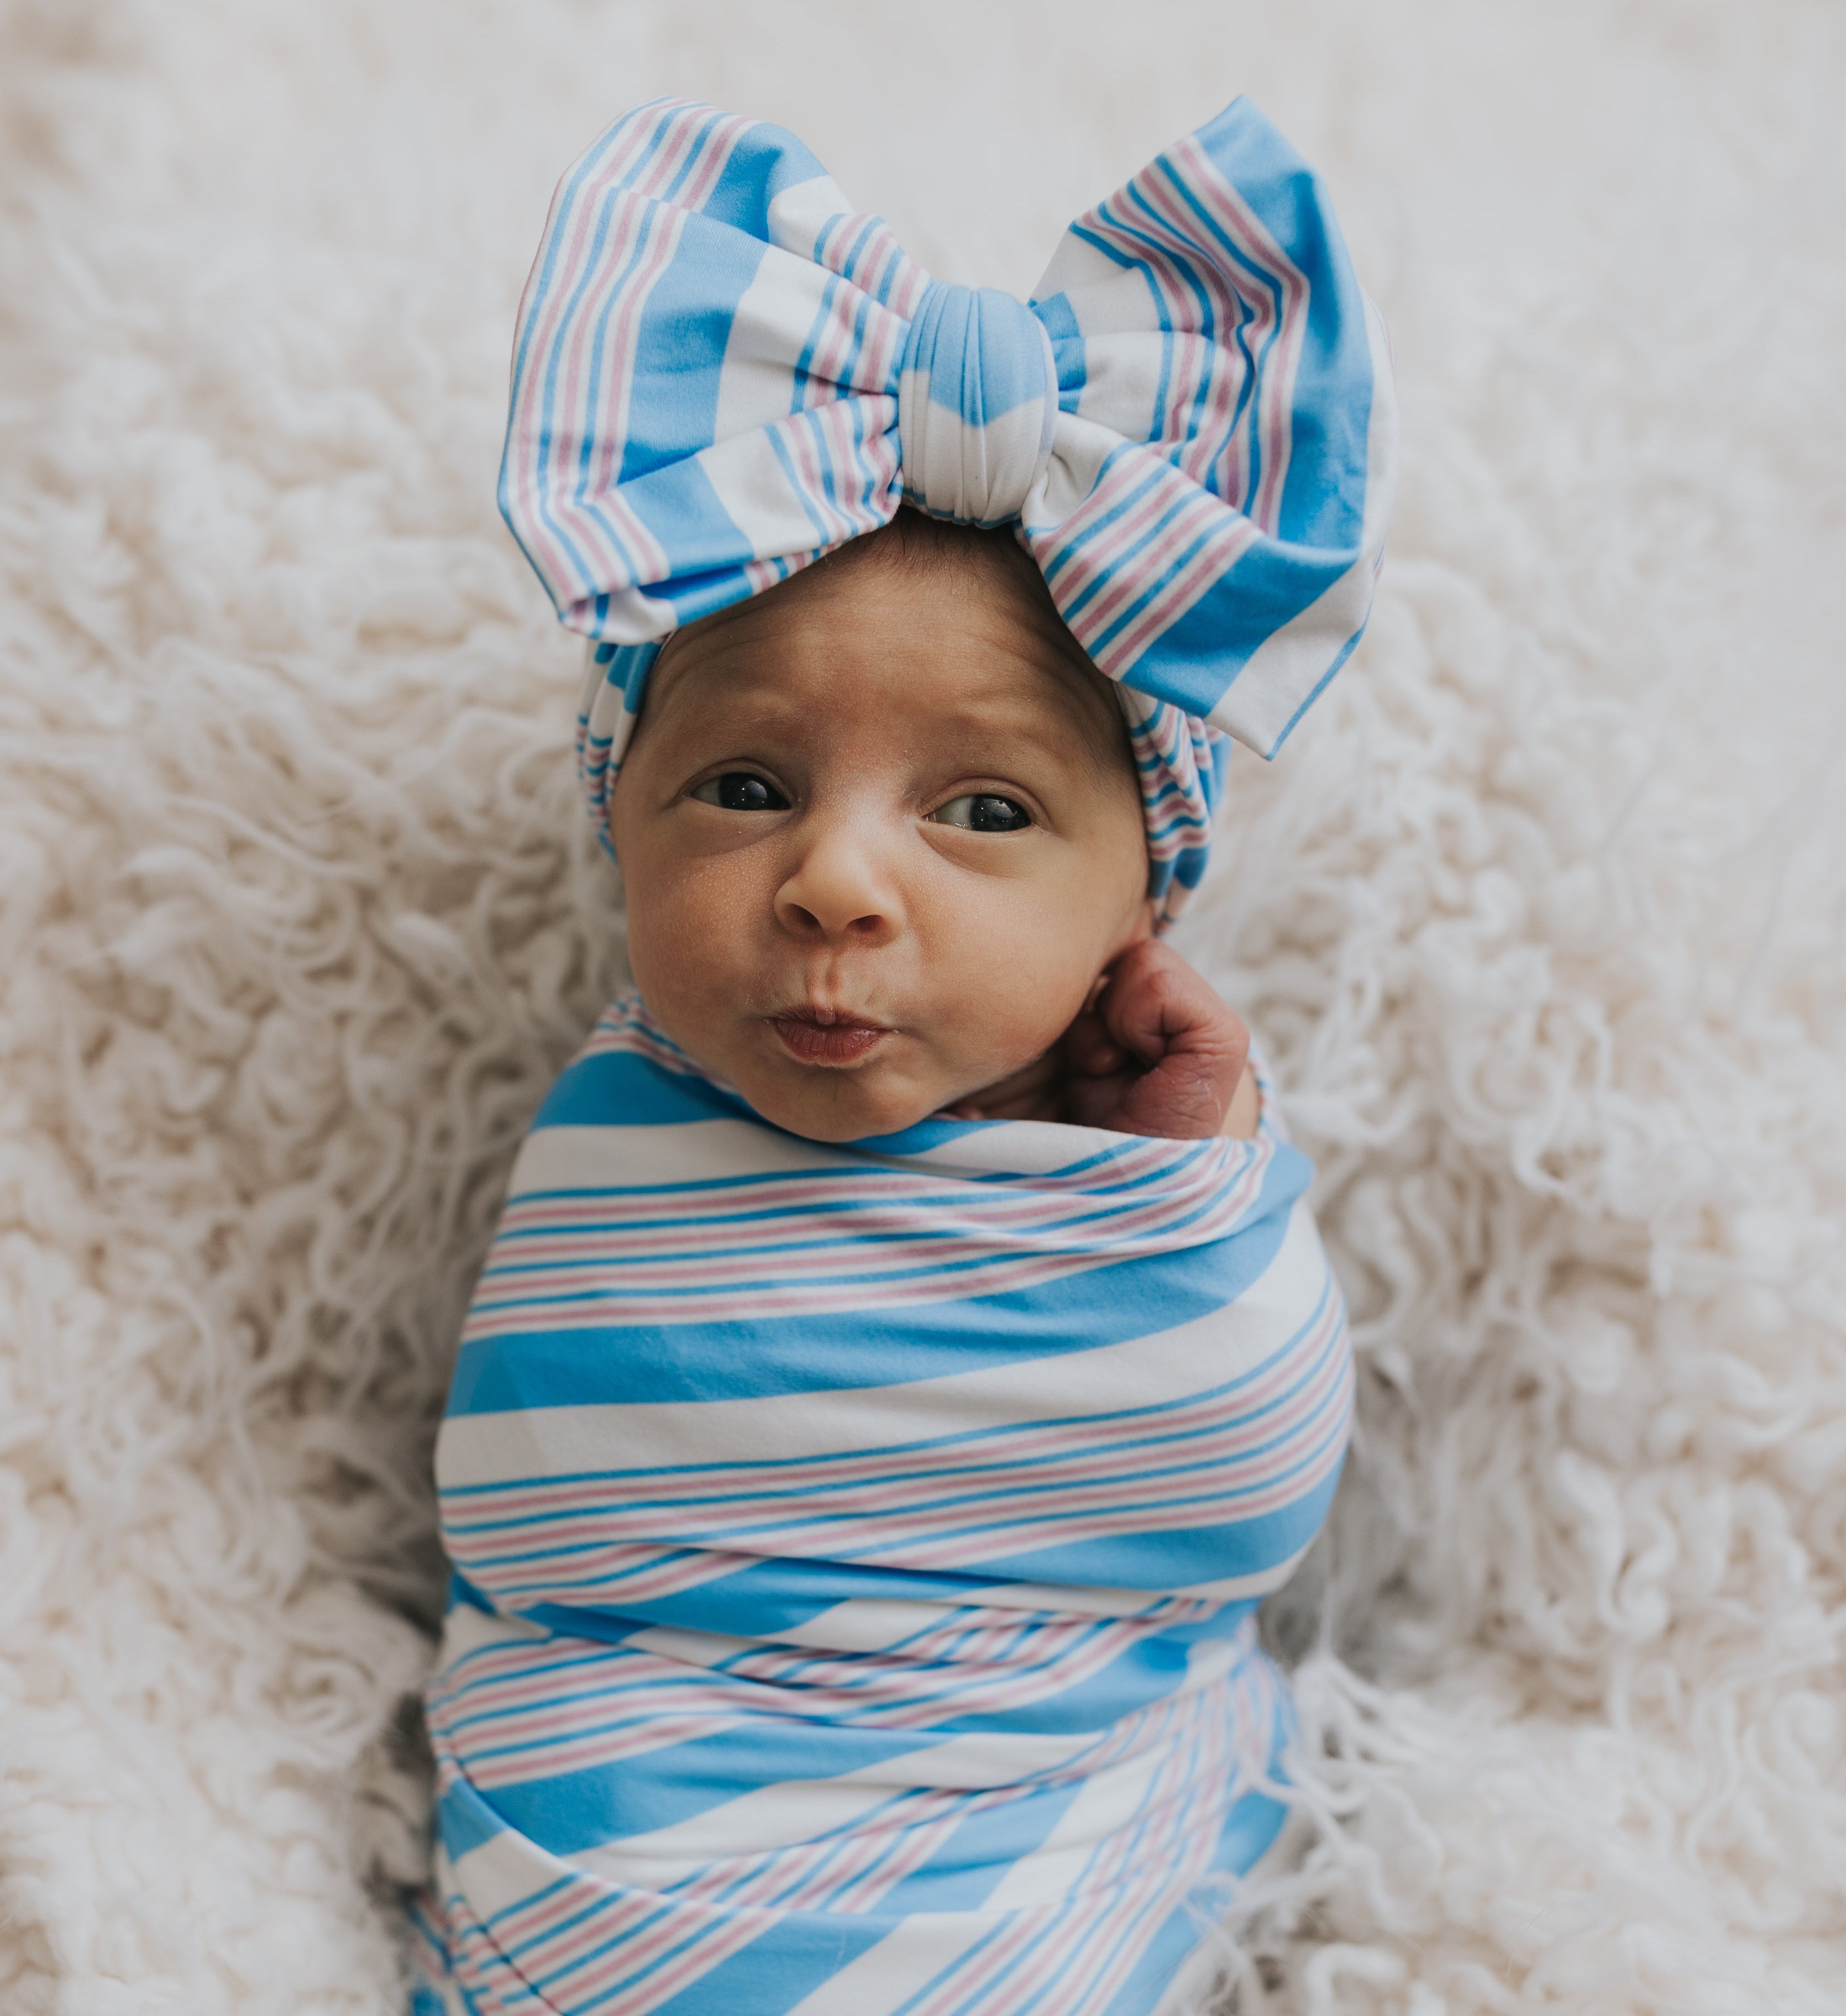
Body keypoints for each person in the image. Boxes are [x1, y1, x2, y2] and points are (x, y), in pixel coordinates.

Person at [413, 92, 1396, 2016]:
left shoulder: (1155, 1182)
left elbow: (1252, 1492)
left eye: (987, 813)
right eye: (747, 784)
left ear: (1146, 903)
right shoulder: (614, 1154)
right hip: (619, 1900)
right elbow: (561, 1499)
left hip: (1016, 1867)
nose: (837, 879)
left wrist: (1206, 1196)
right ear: (619, 823)